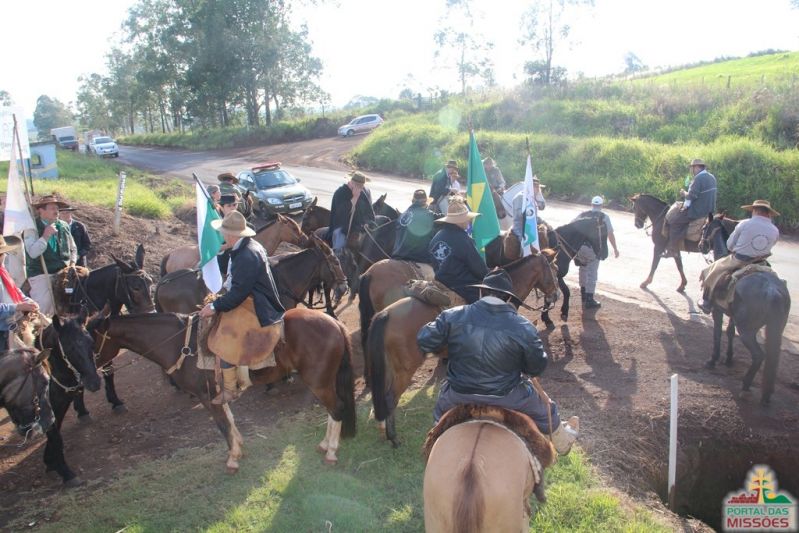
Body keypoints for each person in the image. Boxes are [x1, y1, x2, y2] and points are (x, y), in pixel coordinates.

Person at [417, 268, 579, 455]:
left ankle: (436, 442)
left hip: (458, 394)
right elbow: (537, 367)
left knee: (439, 415)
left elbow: (424, 340)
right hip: (509, 395)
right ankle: (562, 444)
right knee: (547, 410)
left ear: (480, 291)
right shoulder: (523, 326)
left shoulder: (452, 316)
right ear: (508, 298)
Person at [199, 211, 285, 404]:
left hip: (257, 304)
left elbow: (238, 293)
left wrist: (214, 305)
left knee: (225, 338)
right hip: (251, 296)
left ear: (231, 235)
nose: (222, 235)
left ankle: (230, 389)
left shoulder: (246, 255)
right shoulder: (247, 246)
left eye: (223, 232)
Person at [698, 199, 780, 313]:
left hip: (738, 260)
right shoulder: (775, 230)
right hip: (760, 262)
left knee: (711, 271)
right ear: (768, 213)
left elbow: (729, 245)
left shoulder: (745, 224)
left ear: (755, 210)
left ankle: (707, 302)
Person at [23, 194, 78, 317]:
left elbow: (73, 248)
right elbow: (32, 253)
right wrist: (45, 236)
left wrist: (73, 264)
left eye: (57, 208)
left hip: (63, 272)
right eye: (52, 208)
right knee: (44, 309)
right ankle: (40, 327)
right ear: (41, 210)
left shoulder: (63, 225)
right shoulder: (32, 228)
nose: (56, 211)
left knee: (73, 301)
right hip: (42, 273)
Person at [428, 198, 488, 305]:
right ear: (460, 221)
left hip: (441, 283)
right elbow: (479, 270)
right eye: (467, 218)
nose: (469, 221)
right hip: (464, 288)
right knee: (488, 305)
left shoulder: (436, 237)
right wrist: (489, 274)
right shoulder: (463, 239)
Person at [574, 196, 619, 309]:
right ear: (602, 205)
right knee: (592, 273)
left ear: (592, 204)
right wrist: (615, 248)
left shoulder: (583, 214)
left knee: (583, 269)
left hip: (580, 248)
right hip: (593, 249)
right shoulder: (604, 217)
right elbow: (610, 234)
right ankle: (589, 299)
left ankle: (583, 295)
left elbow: (571, 226)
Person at [666, 158, 717, 256]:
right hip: (710, 211)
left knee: (674, 221)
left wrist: (683, 193)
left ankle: (673, 249)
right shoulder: (712, 177)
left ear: (697, 167)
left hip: (698, 211)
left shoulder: (698, 179)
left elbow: (691, 196)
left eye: (692, 168)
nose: (692, 170)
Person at [0, 235, 39, 350]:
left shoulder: (3, 272)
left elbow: (16, 291)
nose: (4, 257)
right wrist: (18, 307)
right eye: (2, 254)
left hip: (10, 328)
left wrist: (29, 302)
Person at [327, 171, 375, 256]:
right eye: (357, 185)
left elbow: (369, 211)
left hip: (360, 227)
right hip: (341, 227)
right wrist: (354, 199)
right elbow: (340, 215)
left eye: (361, 186)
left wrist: (367, 222)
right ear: (351, 182)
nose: (360, 188)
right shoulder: (340, 192)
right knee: (339, 248)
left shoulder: (365, 192)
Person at [391, 189, 436, 263]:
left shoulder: (403, 215)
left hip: (397, 255)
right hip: (416, 258)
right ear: (425, 203)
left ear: (413, 201)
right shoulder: (428, 215)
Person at [511, 175, 546, 256]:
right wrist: (533, 216)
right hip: (521, 227)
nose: (537, 189)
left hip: (532, 226)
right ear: (529, 186)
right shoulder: (520, 197)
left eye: (538, 187)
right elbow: (520, 215)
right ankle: (523, 258)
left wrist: (538, 197)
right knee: (524, 243)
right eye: (535, 187)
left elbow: (542, 206)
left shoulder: (532, 196)